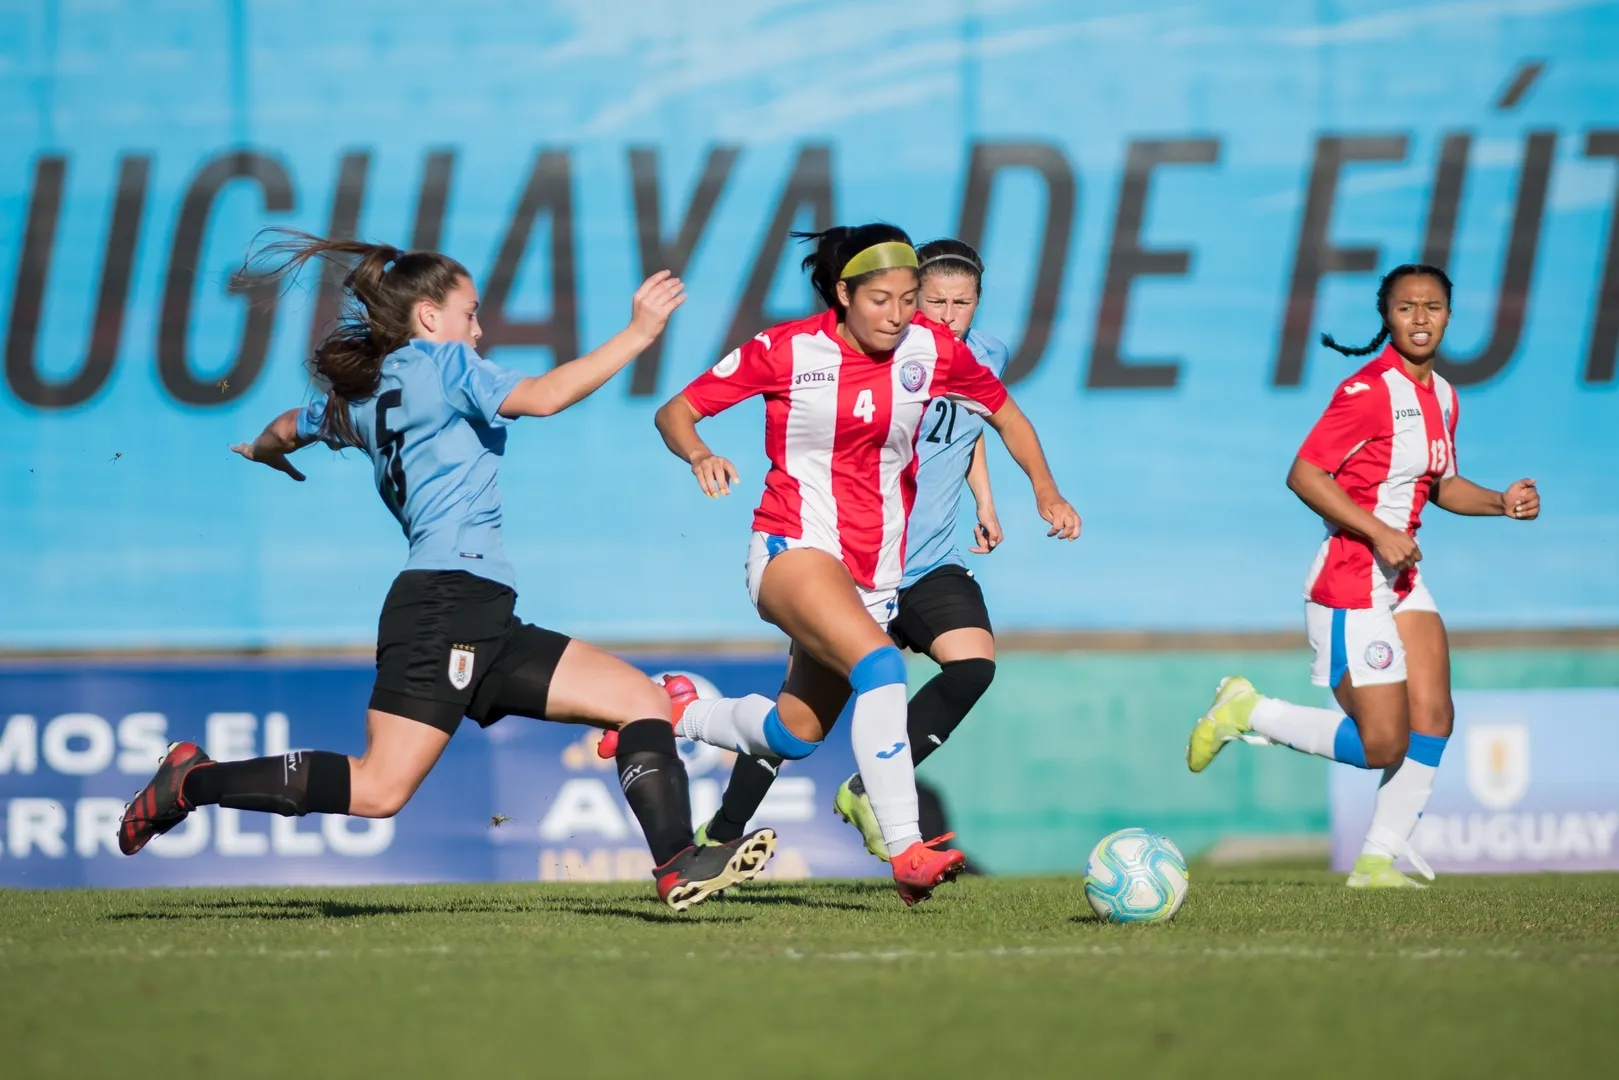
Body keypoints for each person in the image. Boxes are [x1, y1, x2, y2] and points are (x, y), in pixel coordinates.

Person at [117, 230, 775, 911]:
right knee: (378, 789)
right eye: (470, 312)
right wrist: (639, 333)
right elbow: (545, 397)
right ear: (430, 318)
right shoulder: (444, 364)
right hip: (444, 606)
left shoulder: (368, 393)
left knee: (641, 700)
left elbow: (294, 422)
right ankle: (190, 781)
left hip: (477, 608)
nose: (479, 327)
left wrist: (261, 449)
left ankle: (677, 864)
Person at [649, 223, 1079, 905]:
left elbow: (1006, 417)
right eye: (883, 299)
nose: (900, 314)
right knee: (882, 665)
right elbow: (675, 412)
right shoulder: (785, 348)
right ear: (843, 293)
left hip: (877, 570)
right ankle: (904, 847)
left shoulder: (932, 351)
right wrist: (699, 453)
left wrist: (1044, 489)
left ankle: (667, 708)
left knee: (790, 736)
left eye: (911, 298)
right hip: (792, 544)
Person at [1185, 264, 1539, 888]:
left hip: (1401, 581)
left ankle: (1378, 860)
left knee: (1435, 716)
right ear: (1387, 317)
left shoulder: (1445, 396)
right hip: (1350, 581)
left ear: (1450, 316)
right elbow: (1303, 474)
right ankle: (1247, 710)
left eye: (1432, 307)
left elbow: (1441, 485)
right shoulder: (1367, 391)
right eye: (1407, 308)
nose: (1421, 318)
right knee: (1382, 744)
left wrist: (1500, 501)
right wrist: (1378, 532)